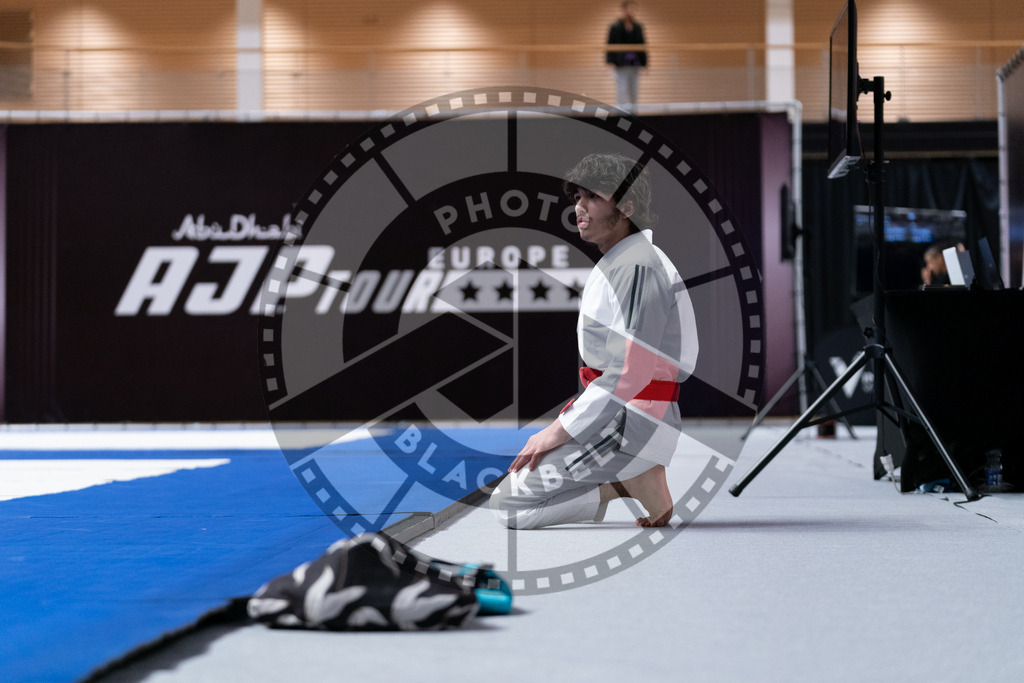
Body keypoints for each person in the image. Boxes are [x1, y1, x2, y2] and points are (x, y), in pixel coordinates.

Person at [489, 153, 699, 530]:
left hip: (634, 419)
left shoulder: (638, 268)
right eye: (577, 197)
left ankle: (621, 483)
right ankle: (636, 475)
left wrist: (555, 431)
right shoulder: (623, 260)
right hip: (626, 414)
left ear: (627, 207)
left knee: (511, 506)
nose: (579, 207)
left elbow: (628, 375)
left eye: (593, 197)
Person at [606, 1, 647, 112]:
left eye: (634, 9)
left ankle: (634, 117)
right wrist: (610, 61)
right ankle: (621, 117)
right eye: (630, 9)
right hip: (621, 63)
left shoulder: (638, 27)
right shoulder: (615, 26)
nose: (632, 11)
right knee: (622, 91)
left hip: (635, 63)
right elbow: (610, 44)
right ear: (624, 10)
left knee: (634, 92)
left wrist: (644, 63)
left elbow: (642, 45)